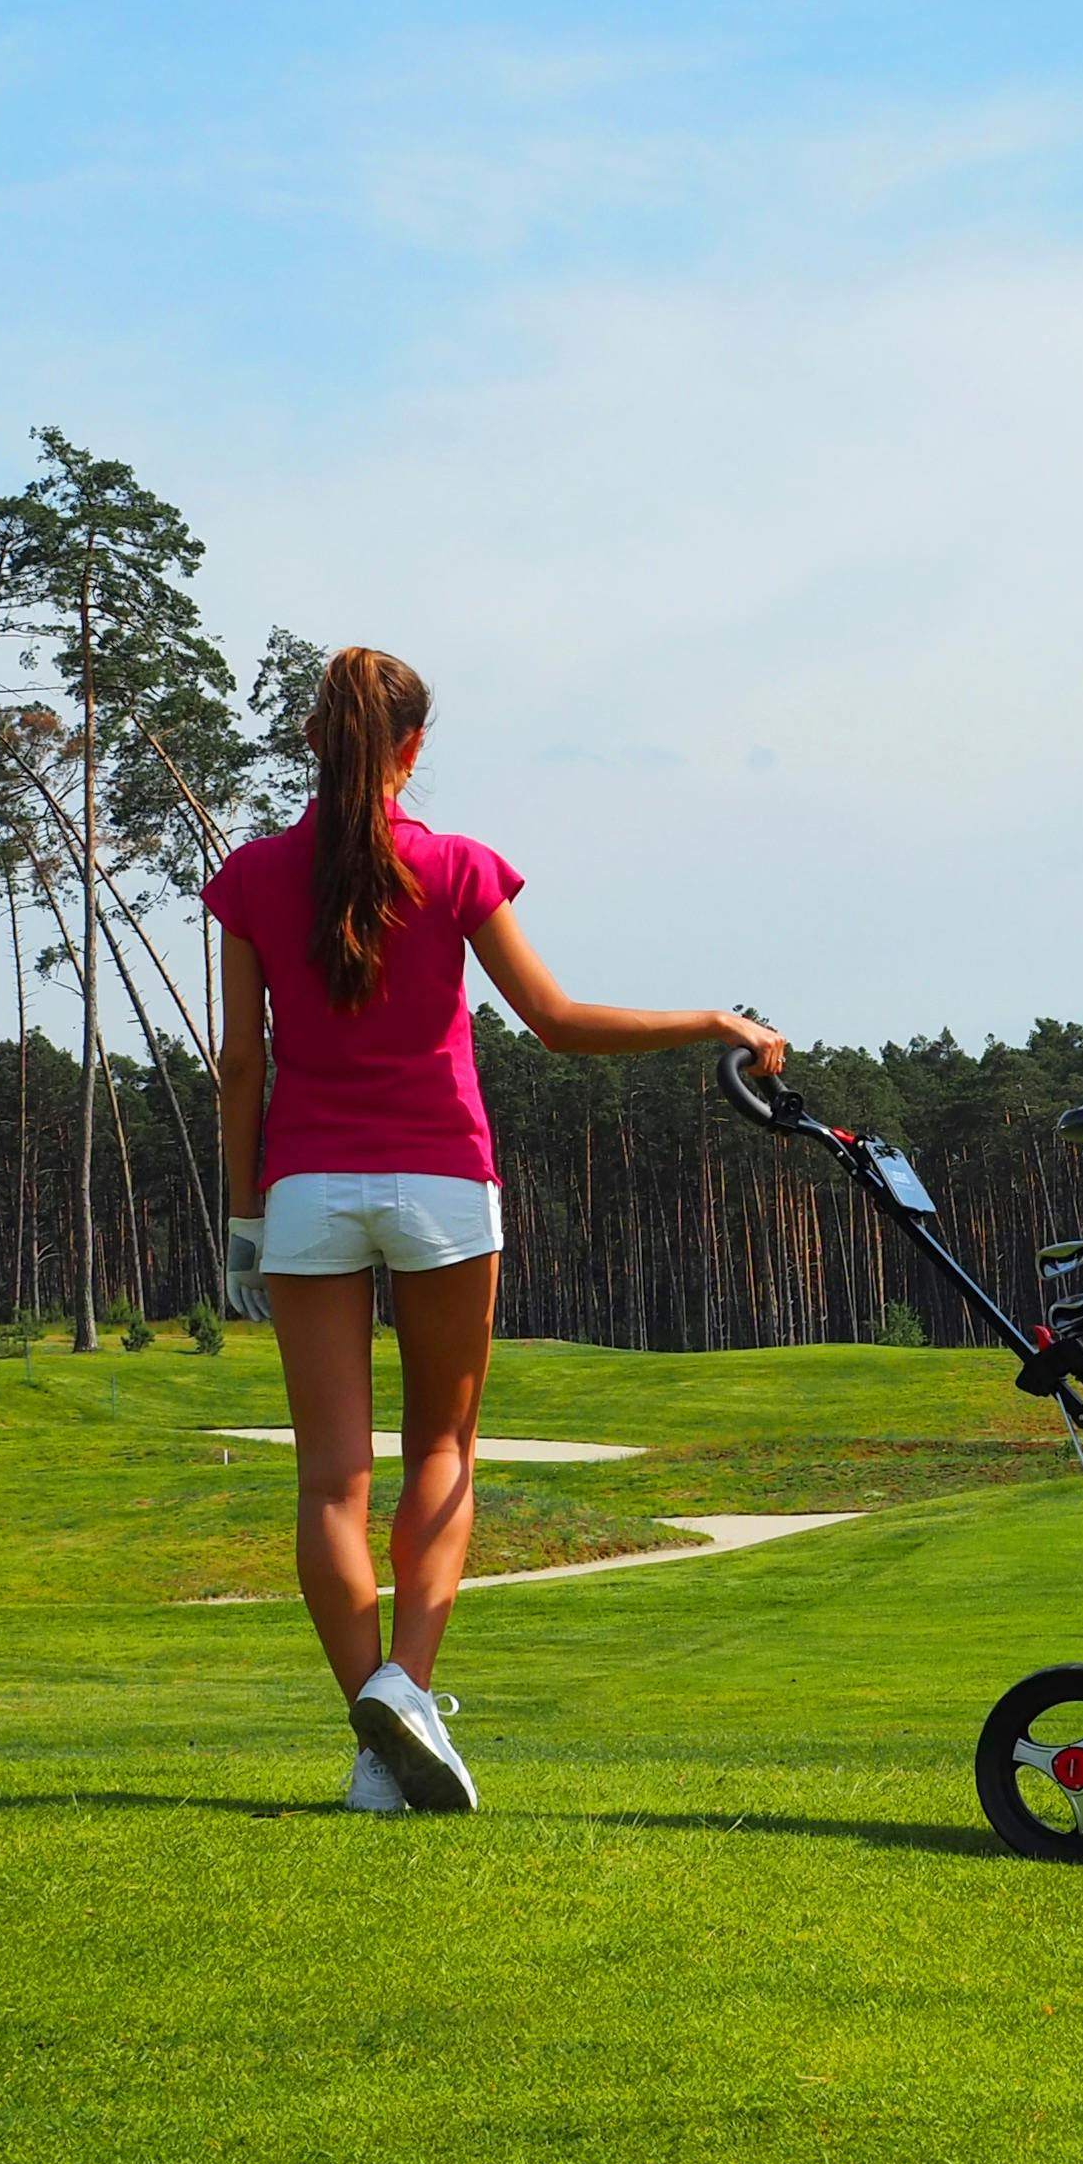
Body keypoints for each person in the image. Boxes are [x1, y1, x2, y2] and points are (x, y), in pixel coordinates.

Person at [207, 646, 785, 1813]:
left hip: (307, 1190)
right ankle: (404, 1699)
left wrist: (241, 1216)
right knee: (443, 1454)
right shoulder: (458, 867)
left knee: (330, 1484)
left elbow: (240, 1064)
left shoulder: (254, 875)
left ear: (316, 740)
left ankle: (379, 1744)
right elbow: (559, 1025)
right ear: (411, 750)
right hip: (442, 1187)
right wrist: (710, 1018)